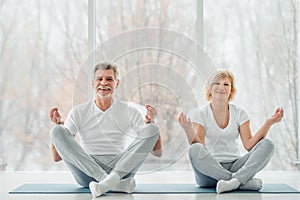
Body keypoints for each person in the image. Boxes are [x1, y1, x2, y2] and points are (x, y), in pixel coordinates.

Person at [49, 62, 162, 198]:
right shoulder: (78, 112)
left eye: (109, 79)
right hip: (88, 172)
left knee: (152, 128)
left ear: (117, 83)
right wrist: (60, 126)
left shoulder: (130, 111)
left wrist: (151, 123)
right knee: (57, 131)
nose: (104, 83)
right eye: (99, 79)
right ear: (93, 83)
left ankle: (110, 181)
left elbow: (157, 152)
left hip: (121, 168)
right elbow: (57, 157)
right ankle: (113, 183)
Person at [178, 69, 283, 193]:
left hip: (235, 166)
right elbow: (199, 145)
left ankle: (234, 181)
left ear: (231, 90)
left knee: (268, 145)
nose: (221, 87)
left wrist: (268, 123)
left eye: (226, 84)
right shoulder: (202, 113)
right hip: (209, 174)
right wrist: (188, 129)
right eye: (217, 83)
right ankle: (239, 182)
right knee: (194, 149)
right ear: (210, 88)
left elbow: (249, 145)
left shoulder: (239, 113)